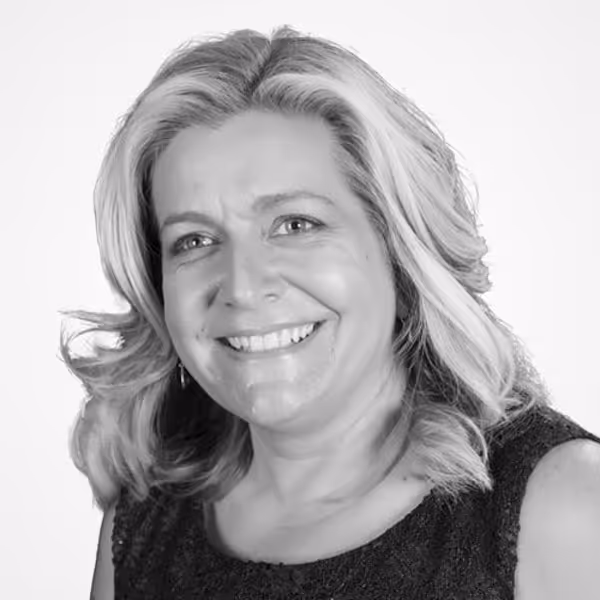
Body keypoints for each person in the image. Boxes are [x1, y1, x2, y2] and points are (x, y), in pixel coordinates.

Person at [61, 26, 600, 600]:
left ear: (399, 249)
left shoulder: (562, 507)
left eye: (295, 224)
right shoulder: (143, 524)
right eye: (194, 241)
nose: (243, 287)